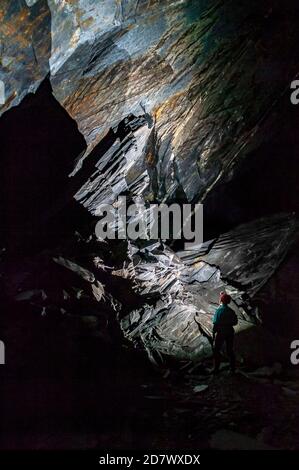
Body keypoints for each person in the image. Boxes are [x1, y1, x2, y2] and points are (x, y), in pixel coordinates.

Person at [212, 292, 238, 374]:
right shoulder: (231, 311)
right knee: (230, 350)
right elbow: (235, 322)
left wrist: (213, 332)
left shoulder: (218, 311)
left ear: (221, 301)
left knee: (217, 350)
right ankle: (232, 369)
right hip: (230, 332)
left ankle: (216, 369)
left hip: (221, 332)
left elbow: (215, 323)